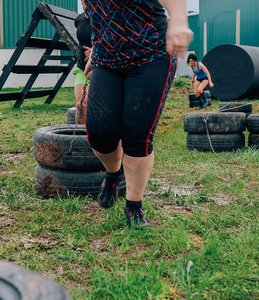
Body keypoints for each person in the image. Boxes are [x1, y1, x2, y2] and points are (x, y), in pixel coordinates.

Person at [83, 0, 192, 227]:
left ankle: (134, 205)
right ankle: (114, 173)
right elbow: (98, 12)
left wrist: (179, 21)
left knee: (136, 131)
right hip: (107, 58)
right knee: (99, 132)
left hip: (151, 54)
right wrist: (97, 46)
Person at [72, 0, 92, 124]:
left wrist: (95, 51)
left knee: (96, 106)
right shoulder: (79, 19)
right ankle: (80, 139)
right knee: (80, 105)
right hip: (81, 67)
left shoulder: (103, 19)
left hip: (100, 66)